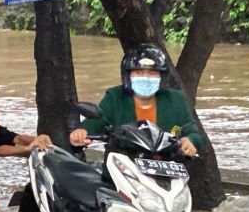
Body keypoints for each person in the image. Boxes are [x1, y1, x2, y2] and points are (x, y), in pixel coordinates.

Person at [69, 42, 203, 157]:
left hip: (166, 171)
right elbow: (95, 122)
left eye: (152, 73)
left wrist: (189, 140)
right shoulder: (115, 97)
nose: (146, 77)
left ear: (162, 77)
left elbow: (193, 132)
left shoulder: (175, 99)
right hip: (123, 171)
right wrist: (81, 133)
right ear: (128, 76)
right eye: (139, 73)